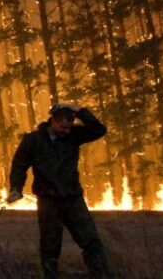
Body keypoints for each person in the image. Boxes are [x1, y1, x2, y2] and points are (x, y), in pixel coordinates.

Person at [7, 102, 112, 278]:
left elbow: (99, 130)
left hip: (73, 199)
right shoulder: (33, 140)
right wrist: (16, 188)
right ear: (53, 122)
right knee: (50, 247)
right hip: (48, 201)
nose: (67, 131)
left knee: (91, 241)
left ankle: (102, 275)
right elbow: (19, 165)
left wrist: (79, 111)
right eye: (63, 127)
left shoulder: (74, 136)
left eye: (69, 127)